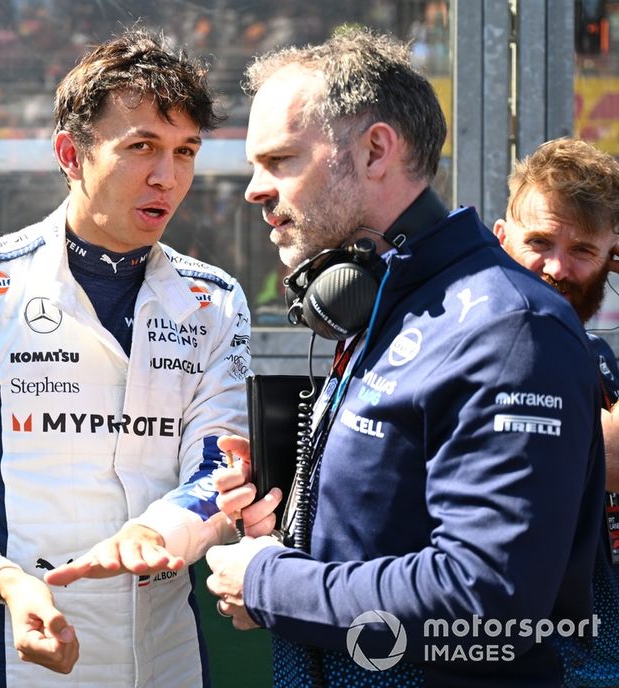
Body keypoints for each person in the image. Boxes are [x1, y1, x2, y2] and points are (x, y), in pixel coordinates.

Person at [204, 28, 604, 686]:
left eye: (279, 160)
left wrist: (272, 584)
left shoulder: (509, 329)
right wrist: (286, 536)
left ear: (375, 150)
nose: (253, 188)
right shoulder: (376, 305)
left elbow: (486, 602)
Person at [0, 30, 250, 688]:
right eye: (142, 148)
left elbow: (223, 466)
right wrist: (4, 579)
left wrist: (153, 534)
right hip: (27, 658)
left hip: (173, 659)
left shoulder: (214, 300)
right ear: (71, 154)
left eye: (185, 151)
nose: (168, 177)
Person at [492, 136, 619, 686]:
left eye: (584, 251)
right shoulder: (463, 348)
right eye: (538, 241)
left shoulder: (599, 358)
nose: (556, 268)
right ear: (502, 239)